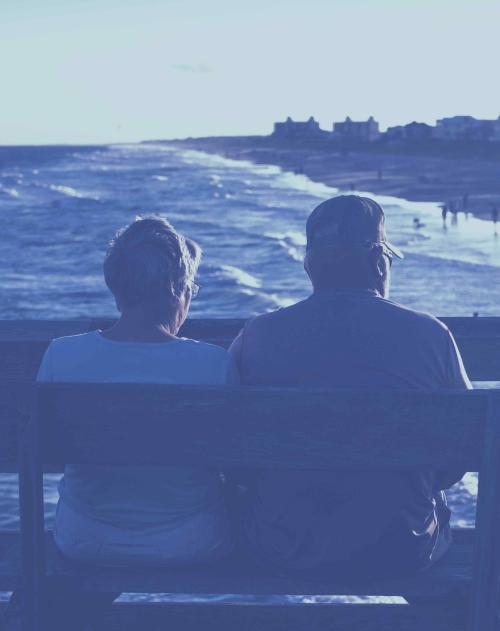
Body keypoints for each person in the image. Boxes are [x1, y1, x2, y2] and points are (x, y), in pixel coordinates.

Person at [7, 216, 238, 630]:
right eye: (191, 289)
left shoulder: (62, 356)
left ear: (117, 286)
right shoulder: (213, 364)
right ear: (177, 290)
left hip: (85, 541)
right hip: (192, 542)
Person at [230, 195, 471, 579]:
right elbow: (462, 448)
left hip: (283, 546)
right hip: (400, 547)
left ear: (311, 267)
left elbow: (231, 452)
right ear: (379, 263)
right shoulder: (431, 335)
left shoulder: (256, 335)